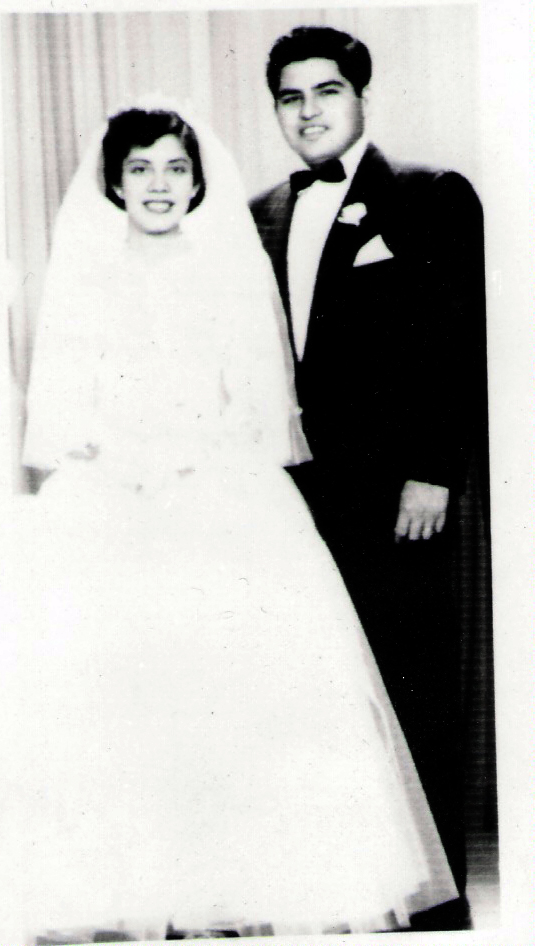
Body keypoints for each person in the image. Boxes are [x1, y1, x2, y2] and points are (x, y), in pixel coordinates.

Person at [0, 98, 459, 944]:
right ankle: (138, 890)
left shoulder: (227, 261)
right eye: (142, 169)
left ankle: (242, 891)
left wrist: (195, 455)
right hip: (111, 492)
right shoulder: (83, 266)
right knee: (118, 694)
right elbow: (65, 398)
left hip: (217, 486)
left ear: (196, 183)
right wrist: (110, 456)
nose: (160, 185)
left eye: (175, 169)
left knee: (239, 694)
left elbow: (260, 397)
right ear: (114, 182)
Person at [250, 26, 488, 931]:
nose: (308, 111)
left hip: (397, 502)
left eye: (327, 91)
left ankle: (434, 910)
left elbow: (455, 344)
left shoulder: (428, 197)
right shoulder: (257, 212)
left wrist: (433, 474)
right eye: (289, 96)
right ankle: (344, 897)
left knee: (413, 682)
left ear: (361, 96)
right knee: (314, 693)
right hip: (293, 503)